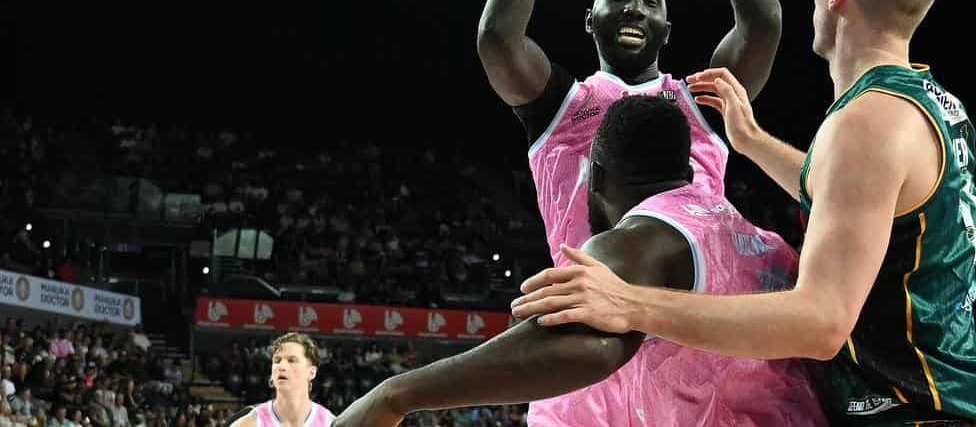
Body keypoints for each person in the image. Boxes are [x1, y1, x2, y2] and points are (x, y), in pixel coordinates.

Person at [512, 0, 976, 426]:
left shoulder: (867, 121)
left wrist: (632, 304)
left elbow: (819, 323)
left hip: (916, 411)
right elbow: (856, 195)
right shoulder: (933, 103)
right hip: (956, 399)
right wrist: (752, 140)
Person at [477, 0, 782, 426]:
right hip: (582, 354)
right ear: (590, 20)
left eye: (649, 2)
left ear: (668, 29)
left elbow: (763, 23)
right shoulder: (562, 106)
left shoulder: (695, 103)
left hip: (693, 351)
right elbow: (497, 38)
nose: (634, 8)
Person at [334, 96, 826, 427]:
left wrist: (395, 395)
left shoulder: (640, 238)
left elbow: (588, 348)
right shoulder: (758, 238)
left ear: (597, 176)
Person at [229, 334, 334, 427]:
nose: (281, 366)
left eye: (292, 360)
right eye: (277, 361)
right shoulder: (249, 423)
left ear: (312, 372)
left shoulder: (330, 423)